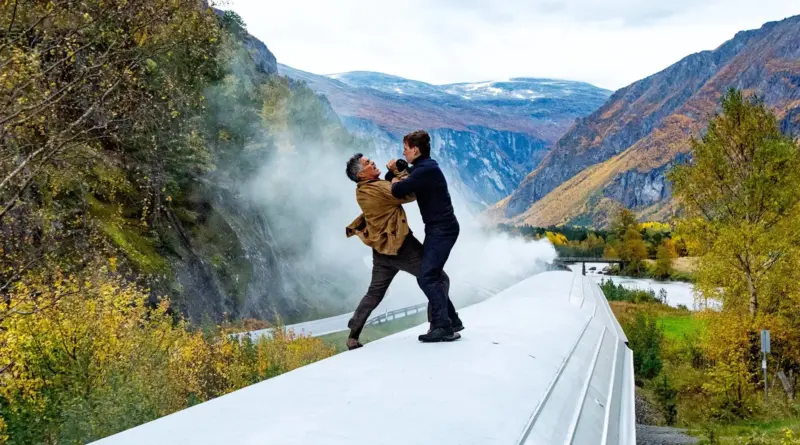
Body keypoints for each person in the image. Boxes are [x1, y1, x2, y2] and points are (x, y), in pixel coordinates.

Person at [344, 153, 462, 350]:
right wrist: (400, 172)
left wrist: (392, 175)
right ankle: (439, 325)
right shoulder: (378, 188)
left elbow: (391, 189)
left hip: (381, 251)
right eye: (367, 163)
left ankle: (353, 335)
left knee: (374, 293)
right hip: (402, 248)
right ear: (361, 175)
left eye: (370, 160)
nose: (372, 162)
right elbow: (410, 193)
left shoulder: (363, 191)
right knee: (437, 278)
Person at [389, 130, 461, 343]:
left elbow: (398, 190)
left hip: (442, 230)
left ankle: (443, 327)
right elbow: (411, 174)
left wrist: (394, 178)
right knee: (433, 274)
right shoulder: (425, 167)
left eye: (406, 148)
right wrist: (401, 169)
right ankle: (452, 320)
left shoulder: (425, 171)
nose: (403, 151)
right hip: (439, 228)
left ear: (415, 149)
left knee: (427, 276)